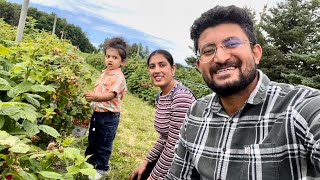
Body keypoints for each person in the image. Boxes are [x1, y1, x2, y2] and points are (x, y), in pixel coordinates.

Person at [166, 5, 320, 180]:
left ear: (256, 53)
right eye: (208, 50)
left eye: (232, 43)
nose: (221, 57)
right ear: (199, 66)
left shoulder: (299, 108)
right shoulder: (195, 113)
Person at [129, 49, 196, 180]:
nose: (156, 70)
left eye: (162, 65)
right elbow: (165, 138)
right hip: (173, 155)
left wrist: (154, 177)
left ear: (173, 69)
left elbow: (174, 145)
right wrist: (146, 162)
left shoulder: (180, 96)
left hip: (187, 163)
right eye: (152, 66)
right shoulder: (160, 96)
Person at [84, 37, 127, 180]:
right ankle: (89, 164)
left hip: (109, 117)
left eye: (115, 57)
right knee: (93, 140)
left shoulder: (119, 77)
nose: (110, 60)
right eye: (108, 56)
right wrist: (92, 102)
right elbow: (100, 89)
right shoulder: (105, 73)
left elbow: (110, 95)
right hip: (97, 114)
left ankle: (102, 168)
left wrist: (95, 97)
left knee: (104, 143)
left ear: (122, 62)